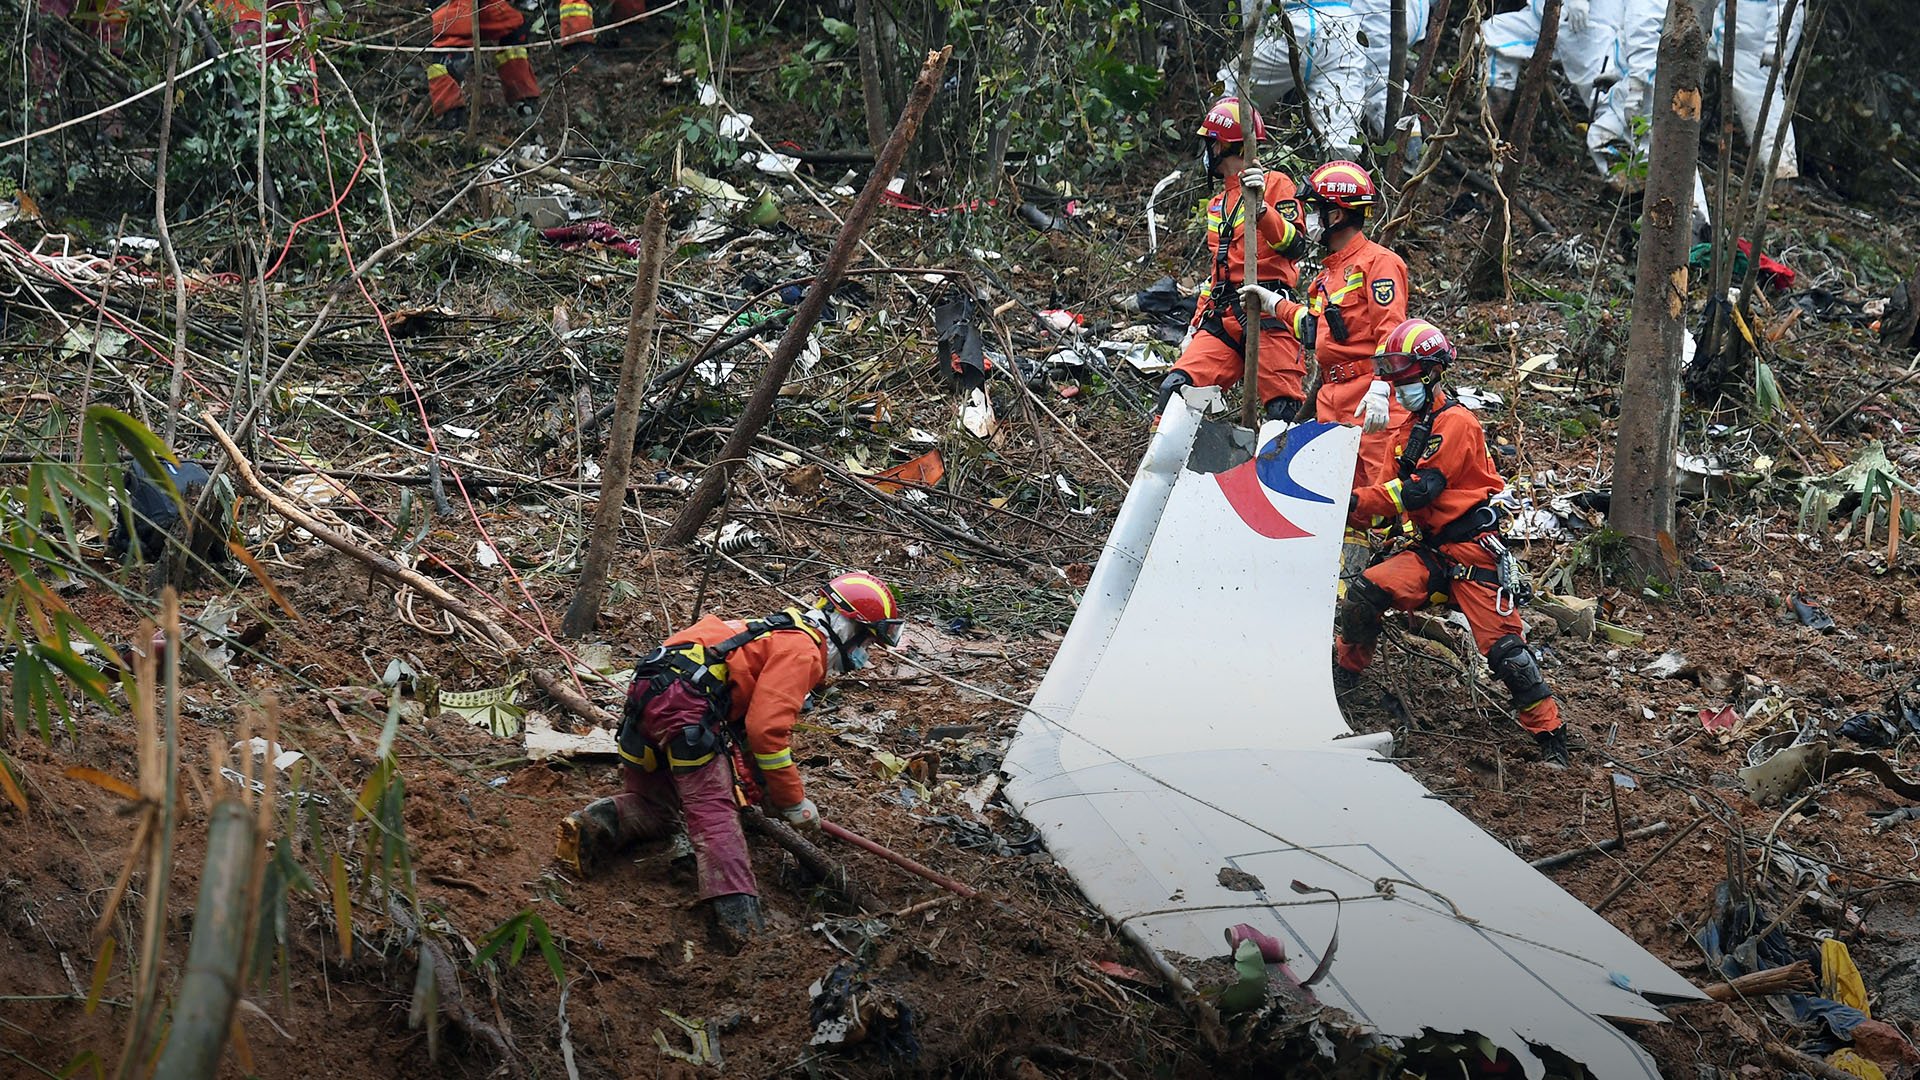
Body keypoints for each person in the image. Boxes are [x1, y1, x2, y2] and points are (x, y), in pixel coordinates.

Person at [555, 573, 906, 946]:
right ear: (847, 626)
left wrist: (765, 790)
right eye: (867, 640)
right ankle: (741, 927)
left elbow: (744, 725)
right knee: (713, 813)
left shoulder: (775, 630)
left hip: (648, 696)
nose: (864, 653)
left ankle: (593, 823)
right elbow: (766, 732)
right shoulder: (804, 649)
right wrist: (794, 801)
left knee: (656, 807)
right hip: (686, 710)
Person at [1331, 319, 1569, 767]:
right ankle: (1345, 680)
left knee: (1507, 655)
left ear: (1429, 372)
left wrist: (1350, 503)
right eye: (1394, 378)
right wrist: (1374, 441)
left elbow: (1419, 491)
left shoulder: (1456, 423)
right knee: (1365, 593)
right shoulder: (1407, 428)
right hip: (1431, 552)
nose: (1399, 386)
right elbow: (1388, 496)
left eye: (1404, 377)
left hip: (1472, 553)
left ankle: (1551, 736)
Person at [1155, 98, 1312, 426]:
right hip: (1223, 317)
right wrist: (1195, 325)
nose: (1206, 151)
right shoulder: (1217, 204)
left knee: (1283, 414)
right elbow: (1217, 273)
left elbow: (1295, 246)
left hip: (1269, 312)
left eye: (1209, 143)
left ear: (1224, 144)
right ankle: (1170, 475)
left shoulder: (1276, 184)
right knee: (1176, 391)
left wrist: (1264, 212)